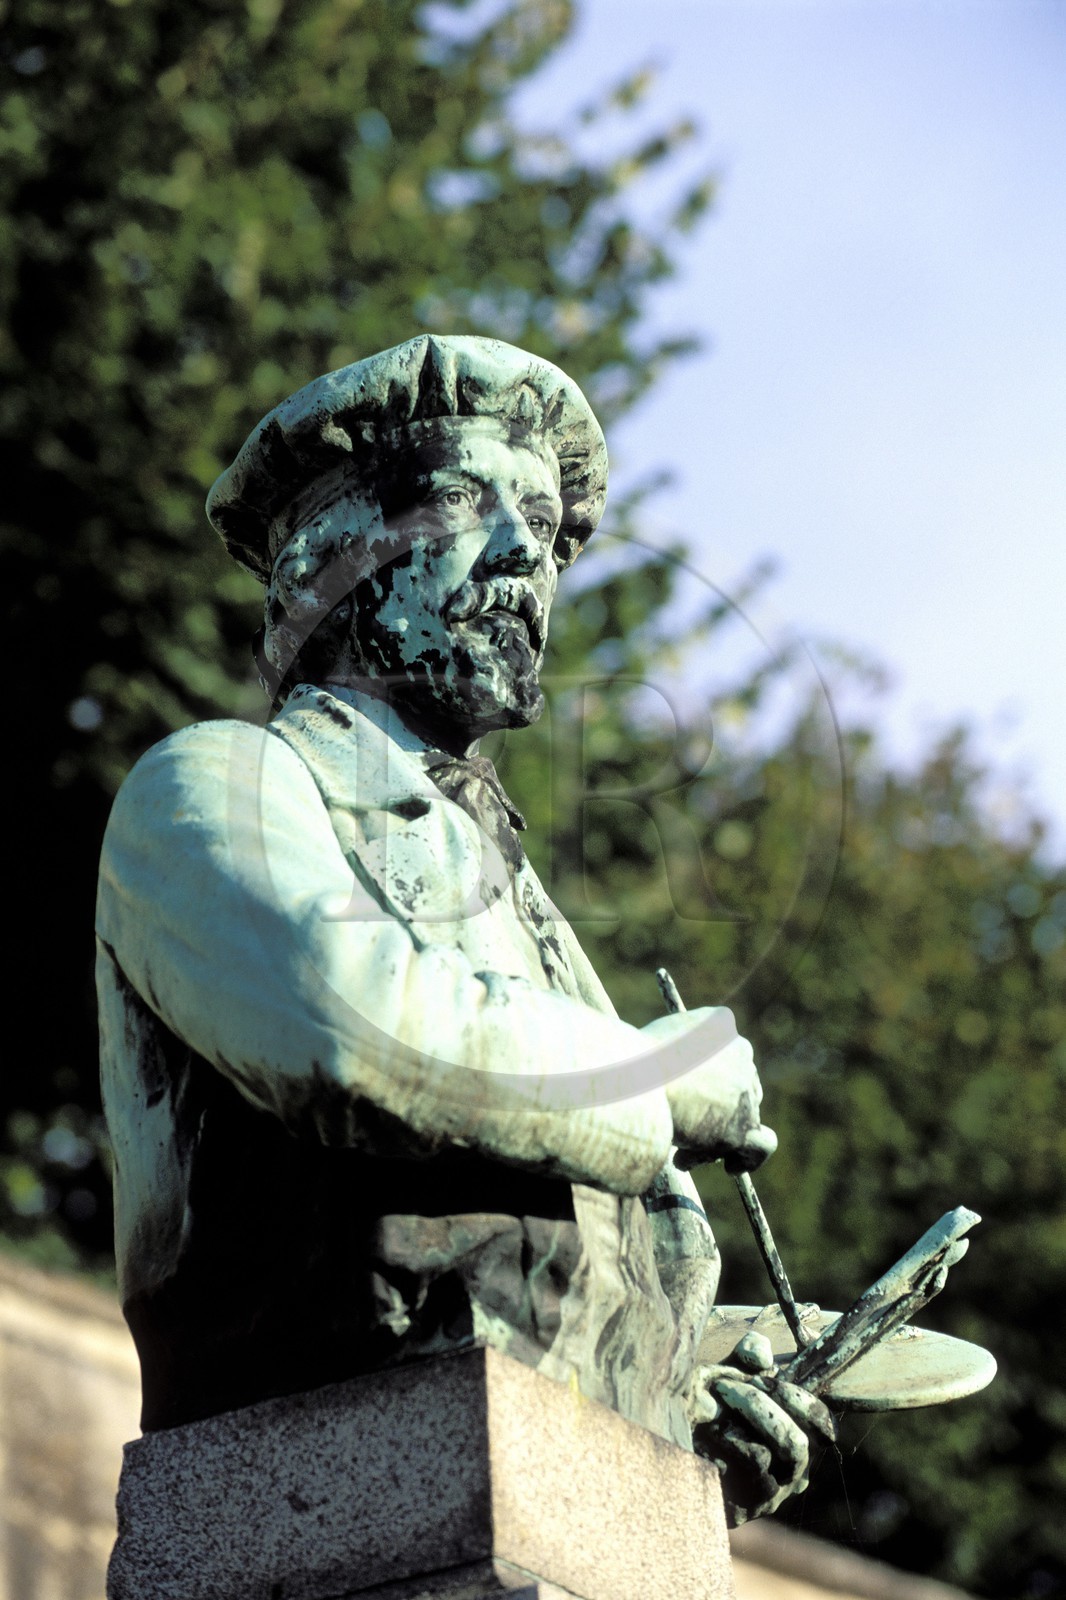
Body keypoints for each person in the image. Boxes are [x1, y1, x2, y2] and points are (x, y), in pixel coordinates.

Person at [96, 334, 832, 1522]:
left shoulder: (532, 917)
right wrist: (661, 1071)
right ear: (323, 562)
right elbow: (343, 1031)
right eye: (459, 502)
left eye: (542, 528)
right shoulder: (213, 786)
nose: (521, 557)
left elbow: (544, 1274)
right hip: (313, 1505)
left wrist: (687, 1419)